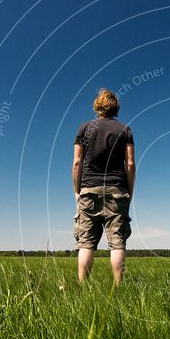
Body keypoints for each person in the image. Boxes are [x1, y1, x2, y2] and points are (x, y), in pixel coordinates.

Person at [72, 88, 136, 283]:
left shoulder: (84, 128)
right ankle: (118, 288)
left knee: (86, 244)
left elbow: (77, 162)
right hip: (117, 191)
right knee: (117, 243)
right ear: (116, 108)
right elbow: (130, 164)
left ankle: (82, 287)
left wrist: (77, 191)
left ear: (97, 106)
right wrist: (129, 191)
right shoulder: (125, 130)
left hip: (89, 190)